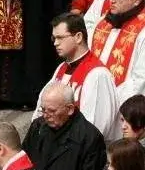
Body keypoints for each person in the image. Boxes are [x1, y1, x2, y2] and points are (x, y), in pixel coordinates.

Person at [35, 13, 120, 143]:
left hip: (80, 151)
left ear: (78, 37)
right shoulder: (62, 68)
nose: (55, 43)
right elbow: (41, 108)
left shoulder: (97, 74)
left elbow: (94, 127)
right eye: (54, 38)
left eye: (60, 38)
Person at [88, 0, 145, 102]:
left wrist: (110, 101)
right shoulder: (103, 21)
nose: (111, 1)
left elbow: (140, 78)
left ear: (136, 0)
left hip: (124, 104)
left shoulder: (142, 31)